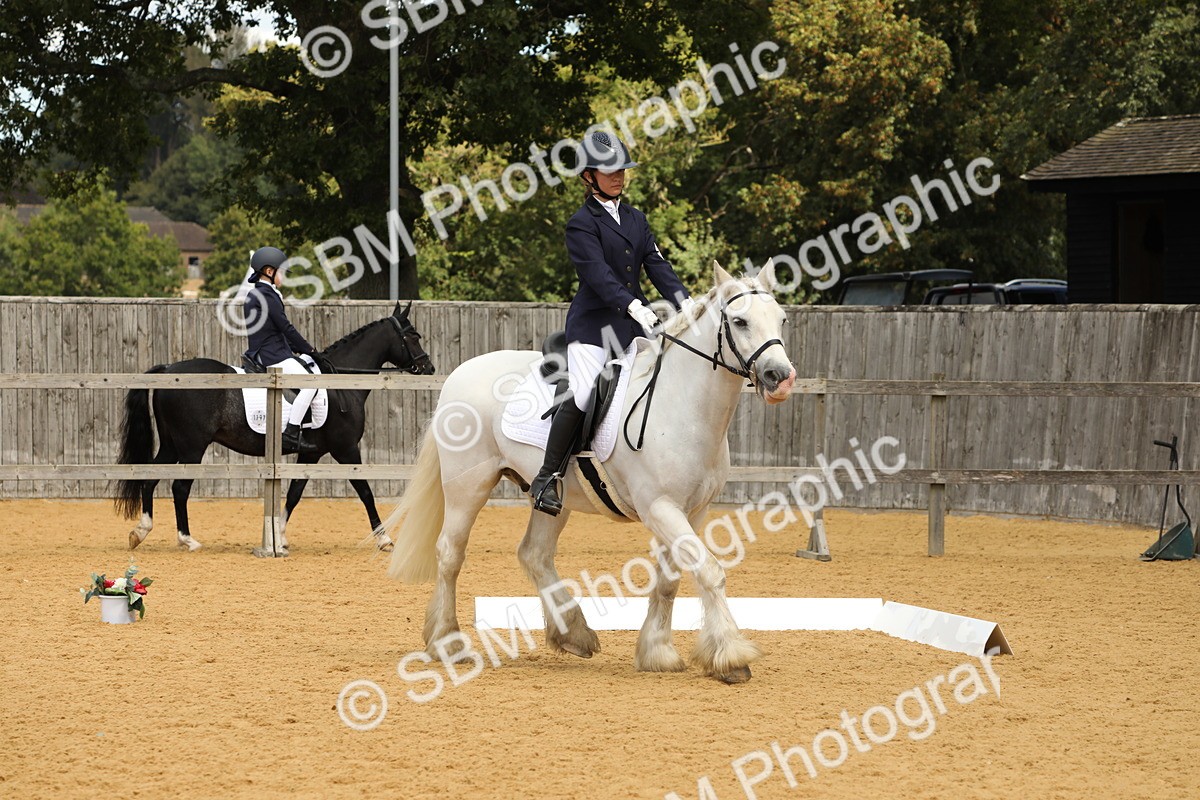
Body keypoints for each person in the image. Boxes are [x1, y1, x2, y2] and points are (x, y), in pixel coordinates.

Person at [529, 131, 693, 516]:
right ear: (588, 175)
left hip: (631, 332)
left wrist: (688, 306)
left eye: (622, 169)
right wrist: (636, 307)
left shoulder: (636, 219)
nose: (618, 176)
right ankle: (546, 477)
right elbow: (600, 276)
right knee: (584, 391)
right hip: (592, 328)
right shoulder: (581, 224)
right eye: (609, 170)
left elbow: (658, 266)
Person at [243, 246, 321, 453]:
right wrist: (310, 350)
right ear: (269, 272)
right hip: (272, 356)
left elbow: (276, 331)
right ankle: (291, 432)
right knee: (312, 383)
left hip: (270, 350)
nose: (284, 277)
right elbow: (285, 327)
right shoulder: (267, 295)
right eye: (282, 272)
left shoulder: (258, 294)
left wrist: (299, 350)